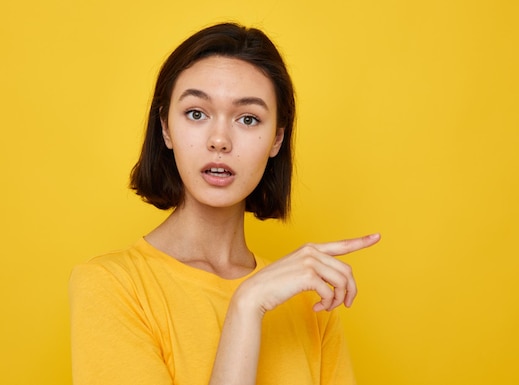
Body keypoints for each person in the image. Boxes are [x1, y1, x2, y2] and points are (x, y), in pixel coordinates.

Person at [69, 22, 380, 385]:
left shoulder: (310, 302)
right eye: (196, 113)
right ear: (166, 127)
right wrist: (247, 306)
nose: (219, 140)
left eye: (248, 119)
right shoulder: (111, 287)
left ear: (276, 140)